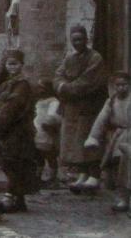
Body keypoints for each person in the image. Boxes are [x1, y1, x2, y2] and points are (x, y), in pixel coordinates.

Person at [0, 48, 40, 212]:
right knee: (10, 163)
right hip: (6, 130)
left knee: (15, 162)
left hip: (18, 130)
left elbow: (12, 107)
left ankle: (11, 197)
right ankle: (19, 200)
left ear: (21, 65)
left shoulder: (22, 85)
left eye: (15, 64)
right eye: (9, 64)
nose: (11, 67)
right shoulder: (5, 84)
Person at [55, 24, 107, 192]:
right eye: (74, 40)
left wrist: (67, 88)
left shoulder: (95, 58)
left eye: (80, 39)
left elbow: (88, 82)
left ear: (86, 39)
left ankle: (94, 175)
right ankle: (82, 174)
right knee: (76, 141)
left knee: (90, 138)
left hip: (90, 106)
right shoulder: (69, 58)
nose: (77, 42)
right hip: (72, 107)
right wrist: (61, 85)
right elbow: (58, 75)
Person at [84, 71, 131, 213]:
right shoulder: (111, 101)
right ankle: (122, 198)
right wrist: (94, 136)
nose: (121, 88)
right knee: (119, 168)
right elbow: (101, 119)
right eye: (118, 85)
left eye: (124, 85)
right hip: (119, 137)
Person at [33, 79, 61, 185]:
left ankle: (52, 177)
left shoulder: (53, 101)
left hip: (47, 131)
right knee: (38, 156)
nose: (40, 90)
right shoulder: (38, 101)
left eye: (42, 88)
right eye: (39, 88)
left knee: (50, 155)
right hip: (37, 130)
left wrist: (48, 123)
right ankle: (37, 176)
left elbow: (52, 115)